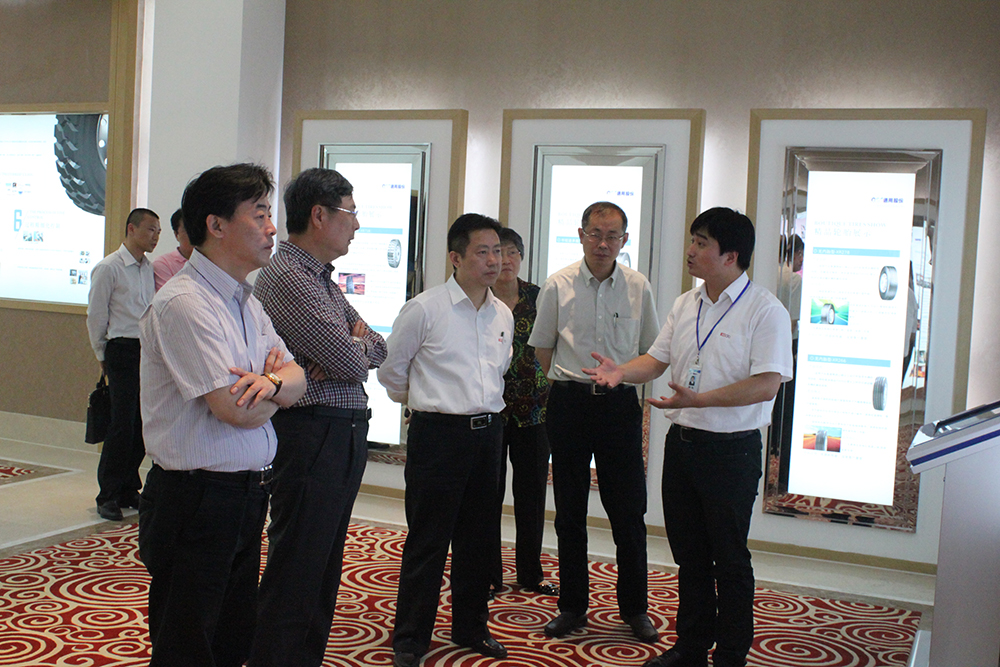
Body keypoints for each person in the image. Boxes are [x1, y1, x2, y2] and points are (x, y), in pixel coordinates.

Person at [585, 207, 793, 667]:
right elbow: (656, 360)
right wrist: (621, 372)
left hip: (731, 450)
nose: (691, 250)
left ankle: (731, 655)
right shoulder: (686, 303)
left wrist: (701, 400)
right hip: (682, 446)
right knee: (690, 555)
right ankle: (691, 646)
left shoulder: (765, 311)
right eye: (693, 240)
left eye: (702, 243)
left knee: (729, 559)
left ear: (731, 256)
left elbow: (766, 385)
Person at [137, 163, 306, 667]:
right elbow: (234, 409)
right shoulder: (185, 303)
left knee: (232, 639)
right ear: (216, 225)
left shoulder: (246, 302)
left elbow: (298, 379)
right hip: (195, 498)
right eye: (260, 215)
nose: (272, 229)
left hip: (245, 493)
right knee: (187, 645)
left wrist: (269, 383)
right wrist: (275, 387)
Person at [249, 168, 387, 667]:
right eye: (351, 213)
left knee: (323, 563)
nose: (357, 225)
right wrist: (350, 350)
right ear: (319, 215)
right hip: (311, 433)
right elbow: (352, 358)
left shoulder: (319, 277)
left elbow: (379, 345)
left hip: (337, 431)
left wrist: (350, 350)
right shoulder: (290, 277)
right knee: (299, 563)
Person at [378, 214, 514, 667]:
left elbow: (499, 372)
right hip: (439, 436)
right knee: (429, 540)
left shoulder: (502, 313)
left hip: (489, 436)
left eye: (498, 251)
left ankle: (470, 627)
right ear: (456, 257)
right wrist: (424, 401)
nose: (494, 261)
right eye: (483, 252)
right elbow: (392, 371)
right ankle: (410, 637)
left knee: (479, 539)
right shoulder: (425, 309)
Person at [527, 201, 660, 643]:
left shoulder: (638, 287)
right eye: (595, 234)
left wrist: (619, 376)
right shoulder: (558, 285)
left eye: (613, 236)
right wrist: (569, 382)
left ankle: (635, 609)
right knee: (569, 510)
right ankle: (572, 606)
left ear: (625, 240)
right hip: (570, 404)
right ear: (581, 234)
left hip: (619, 406)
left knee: (629, 511)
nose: (603, 244)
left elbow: (651, 353)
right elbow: (542, 348)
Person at [488, 227, 557, 597]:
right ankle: (488, 574)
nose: (507, 260)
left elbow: (556, 345)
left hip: (535, 412)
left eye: (513, 252)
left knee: (531, 496)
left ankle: (531, 572)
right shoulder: (480, 297)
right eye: (500, 252)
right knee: (489, 494)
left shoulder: (539, 297)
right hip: (490, 410)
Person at [86, 207, 160, 521]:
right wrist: (102, 355)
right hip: (121, 350)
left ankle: (130, 488)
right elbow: (96, 315)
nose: (155, 237)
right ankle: (108, 494)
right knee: (121, 424)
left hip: (146, 350)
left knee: (143, 423)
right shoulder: (109, 267)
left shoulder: (147, 268)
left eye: (158, 232)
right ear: (132, 229)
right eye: (150, 230)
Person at [153, 208, 194, 291]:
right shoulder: (164, 263)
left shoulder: (212, 261)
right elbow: (169, 296)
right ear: (176, 235)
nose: (193, 234)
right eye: (187, 230)